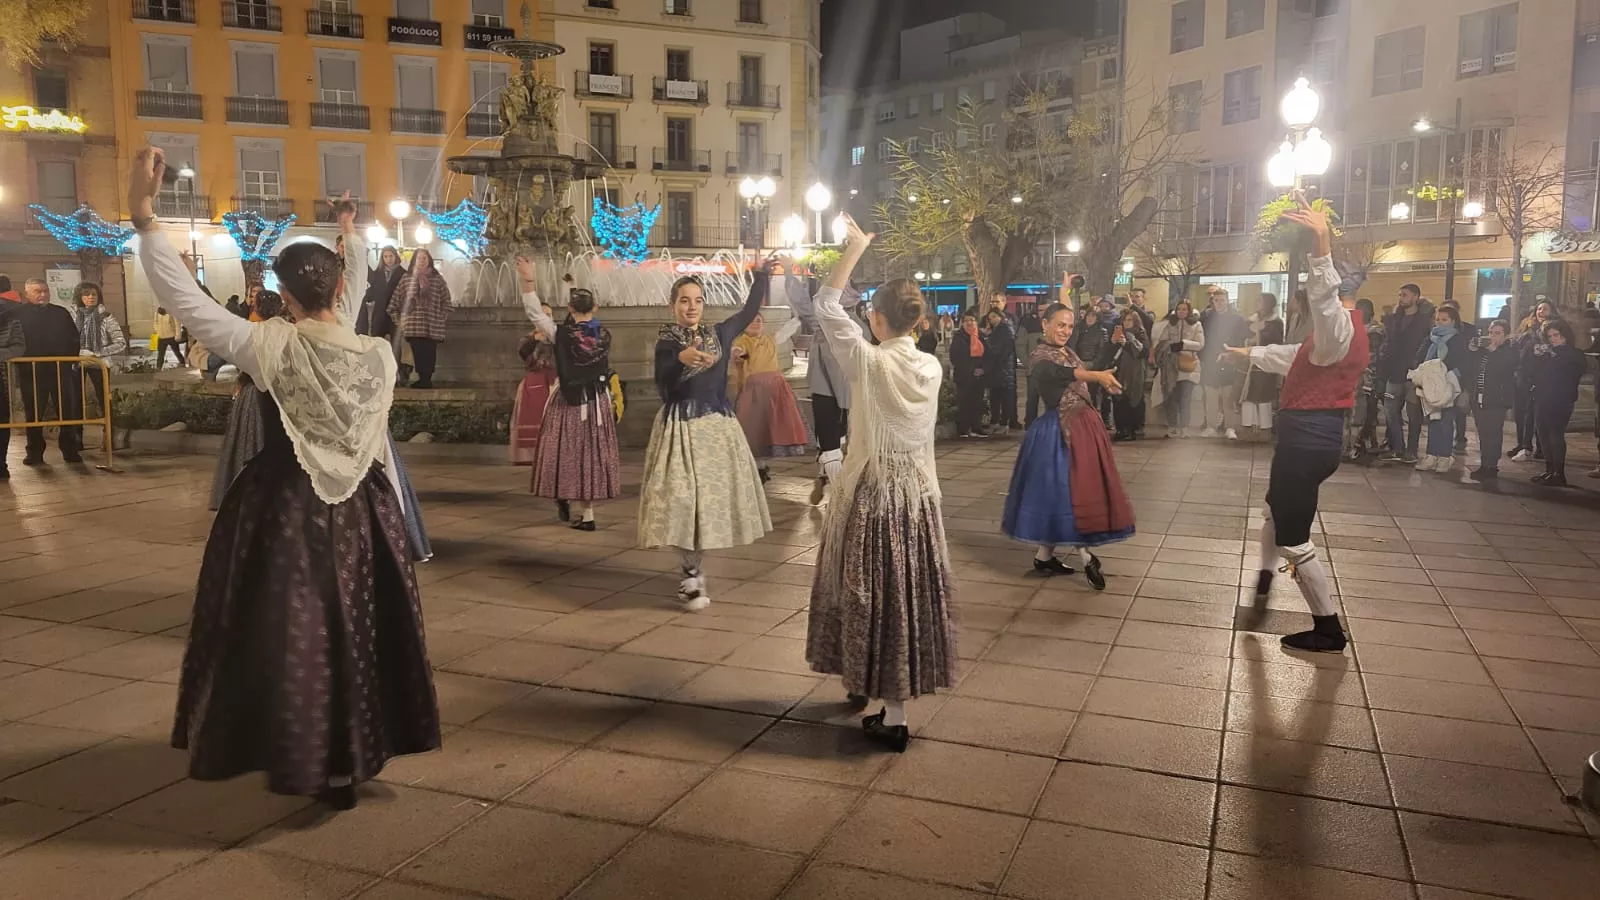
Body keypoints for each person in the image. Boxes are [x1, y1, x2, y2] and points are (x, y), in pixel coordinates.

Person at [130, 147, 439, 810]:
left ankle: (305, 752)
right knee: (360, 626)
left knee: (296, 631)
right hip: (364, 509)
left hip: (287, 509)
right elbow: (347, 307)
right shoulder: (376, 354)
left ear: (286, 294)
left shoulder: (267, 342)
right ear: (330, 289)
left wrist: (145, 218)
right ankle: (353, 753)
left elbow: (186, 303)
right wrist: (349, 236)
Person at [804, 217, 956, 753]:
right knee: (908, 597)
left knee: (870, 595)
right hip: (915, 496)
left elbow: (825, 307)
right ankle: (891, 705)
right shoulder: (931, 367)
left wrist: (855, 248)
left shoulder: (867, 362)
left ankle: (888, 710)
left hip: (873, 496)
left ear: (877, 317)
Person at [1226, 194, 1368, 654]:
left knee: (1294, 536)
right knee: (1273, 508)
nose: (1307, 296)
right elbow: (1293, 358)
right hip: (1305, 442)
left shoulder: (1339, 327)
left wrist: (1320, 243)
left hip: (1308, 442)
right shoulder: (1332, 336)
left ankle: (1327, 627)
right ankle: (1265, 580)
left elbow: (1323, 302)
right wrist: (1246, 353)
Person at [638, 268, 774, 610]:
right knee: (683, 502)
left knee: (708, 505)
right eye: (684, 301)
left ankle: (694, 570)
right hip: (681, 429)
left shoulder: (721, 333)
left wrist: (760, 278)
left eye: (697, 300)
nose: (692, 307)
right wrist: (680, 360)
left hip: (716, 429)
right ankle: (690, 573)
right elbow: (665, 385)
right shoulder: (667, 343)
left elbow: (747, 311)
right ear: (673, 306)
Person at [1002, 301, 1135, 590]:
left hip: (1084, 428)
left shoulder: (1067, 350)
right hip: (1058, 433)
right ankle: (1087, 556)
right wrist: (1094, 376)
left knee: (1065, 494)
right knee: (1069, 493)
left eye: (1069, 325)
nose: (1065, 330)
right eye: (1059, 324)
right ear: (1045, 325)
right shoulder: (1039, 357)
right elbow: (1059, 374)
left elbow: (1083, 368)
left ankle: (1044, 556)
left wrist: (1104, 370)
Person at [521, 259, 621, 530]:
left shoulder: (561, 334)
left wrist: (528, 282)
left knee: (562, 449)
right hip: (597, 401)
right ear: (596, 308)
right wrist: (573, 285)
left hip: (568, 399)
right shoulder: (604, 335)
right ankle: (588, 515)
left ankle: (561, 492)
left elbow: (535, 314)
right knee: (592, 452)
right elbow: (583, 328)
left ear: (569, 309)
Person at [784, 272, 865, 504]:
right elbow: (803, 304)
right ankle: (841, 496)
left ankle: (825, 478)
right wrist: (790, 274)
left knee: (840, 444)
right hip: (828, 392)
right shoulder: (825, 320)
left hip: (850, 394)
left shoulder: (856, 324)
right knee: (831, 443)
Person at [209, 289, 286, 511]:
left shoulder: (254, 331)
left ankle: (245, 490)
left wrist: (240, 381)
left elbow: (245, 364)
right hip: (277, 394)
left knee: (248, 442)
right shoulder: (284, 331)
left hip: (254, 393)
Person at [730, 309, 808, 481]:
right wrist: (738, 354)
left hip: (775, 390)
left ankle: (762, 466)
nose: (756, 324)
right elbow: (737, 351)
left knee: (770, 426)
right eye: (752, 321)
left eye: (759, 321)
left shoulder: (769, 340)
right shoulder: (743, 341)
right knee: (754, 427)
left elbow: (784, 333)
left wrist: (798, 319)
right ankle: (758, 467)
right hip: (755, 391)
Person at [14, 280, 83, 465]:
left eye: (45, 291)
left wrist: (70, 361)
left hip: (60, 370)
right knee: (34, 413)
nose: (42, 295)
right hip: (32, 372)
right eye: (37, 291)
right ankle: (34, 451)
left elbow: (73, 339)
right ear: (27, 293)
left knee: (67, 411)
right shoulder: (19, 314)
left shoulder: (60, 313)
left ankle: (70, 448)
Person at [1378, 284, 1435, 462]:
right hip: (1394, 372)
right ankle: (1397, 447)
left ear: (1416, 297)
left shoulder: (1424, 321)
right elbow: (1389, 342)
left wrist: (1418, 365)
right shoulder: (1395, 318)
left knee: (1413, 414)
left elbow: (1425, 345)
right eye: (1400, 294)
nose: (1401, 298)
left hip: (1413, 373)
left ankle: (1411, 451)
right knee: (1390, 410)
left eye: (1405, 295)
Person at [1530, 318, 1587, 486]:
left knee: (1556, 434)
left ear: (1565, 336)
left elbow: (1574, 372)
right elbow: (1534, 371)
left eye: (1557, 335)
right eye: (1550, 336)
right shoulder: (1546, 354)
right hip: (1542, 397)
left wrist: (1556, 355)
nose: (1554, 339)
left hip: (1561, 399)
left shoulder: (1575, 354)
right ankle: (1549, 469)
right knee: (1543, 434)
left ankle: (1558, 472)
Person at [1412, 305, 1466, 474]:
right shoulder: (1430, 339)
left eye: (1444, 320)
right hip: (1430, 384)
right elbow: (1419, 356)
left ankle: (1444, 456)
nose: (1440, 323)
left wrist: (1445, 372)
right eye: (1438, 319)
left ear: (1453, 321)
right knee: (1433, 419)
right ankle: (1431, 454)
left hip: (1448, 382)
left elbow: (1460, 360)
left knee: (1446, 420)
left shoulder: (1458, 339)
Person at [1464, 319, 1516, 483]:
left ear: (1506, 335)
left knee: (1493, 433)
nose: (1493, 336)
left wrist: (1492, 352)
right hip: (1479, 397)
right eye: (1491, 332)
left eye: (1498, 333)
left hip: (1496, 399)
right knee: (1483, 433)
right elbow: (1473, 369)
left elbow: (1504, 370)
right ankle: (1484, 463)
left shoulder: (1509, 352)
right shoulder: (1483, 351)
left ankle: (1492, 465)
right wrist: (1473, 351)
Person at [510, 301, 558, 466]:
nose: (545, 317)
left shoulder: (557, 336)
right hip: (534, 381)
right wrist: (535, 338)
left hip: (554, 381)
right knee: (532, 416)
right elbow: (523, 353)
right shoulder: (528, 338)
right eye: (542, 314)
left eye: (548, 314)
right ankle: (530, 455)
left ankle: (553, 452)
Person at [396, 248, 451, 389]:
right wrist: (401, 319)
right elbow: (396, 300)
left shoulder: (437, 279)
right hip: (414, 324)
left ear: (429, 260)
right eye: (419, 258)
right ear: (414, 260)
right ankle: (422, 379)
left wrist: (441, 316)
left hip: (432, 324)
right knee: (418, 352)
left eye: (424, 258)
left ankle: (427, 379)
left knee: (430, 352)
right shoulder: (406, 278)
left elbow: (446, 300)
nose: (421, 261)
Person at [1510, 299, 1557, 462]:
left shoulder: (1553, 329)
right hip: (1523, 374)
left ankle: (1539, 447)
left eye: (1545, 309)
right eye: (1539, 309)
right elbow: (1516, 345)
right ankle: (1522, 443)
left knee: (1536, 413)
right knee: (1521, 411)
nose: (1541, 312)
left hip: (1541, 377)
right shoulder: (1527, 326)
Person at [1199, 285, 1248, 439]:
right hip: (1211, 361)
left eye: (1222, 300)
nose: (1219, 303)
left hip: (1229, 360)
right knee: (1211, 396)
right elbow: (1202, 339)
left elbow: (1241, 339)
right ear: (1212, 302)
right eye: (1216, 300)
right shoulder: (1206, 318)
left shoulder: (1237, 319)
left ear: (1227, 301)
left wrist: (1233, 354)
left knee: (1228, 396)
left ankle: (1230, 426)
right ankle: (1211, 426)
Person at [1150, 299, 1204, 437]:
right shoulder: (1170, 324)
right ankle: (1172, 426)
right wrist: (1167, 345)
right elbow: (1162, 340)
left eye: (1184, 309)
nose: (1181, 311)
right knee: (1171, 397)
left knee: (1185, 398)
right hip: (1171, 366)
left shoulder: (1196, 325)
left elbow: (1200, 344)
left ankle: (1184, 427)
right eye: (1179, 309)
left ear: (1189, 310)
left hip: (1188, 365)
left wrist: (1183, 344)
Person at [72, 282, 126, 416]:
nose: (91, 297)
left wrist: (99, 353)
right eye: (86, 294)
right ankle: (76, 430)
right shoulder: (72, 316)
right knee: (74, 396)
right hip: (75, 360)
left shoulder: (106, 316)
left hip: (98, 362)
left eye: (94, 294)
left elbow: (121, 342)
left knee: (103, 396)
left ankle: (108, 429)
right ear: (79, 297)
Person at [1240, 293, 1285, 440]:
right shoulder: (1250, 320)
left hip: (1266, 363)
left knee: (1264, 396)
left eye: (1260, 301)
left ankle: (1265, 429)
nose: (1257, 303)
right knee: (1248, 396)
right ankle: (1248, 429)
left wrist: (1259, 337)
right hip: (1251, 362)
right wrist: (1250, 340)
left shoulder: (1276, 322)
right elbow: (1242, 336)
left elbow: (1276, 342)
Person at [1351, 298, 1386, 458]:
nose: (1359, 312)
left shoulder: (1375, 330)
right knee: (1358, 411)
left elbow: (1372, 351)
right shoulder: (1352, 327)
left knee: (1369, 410)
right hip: (1353, 375)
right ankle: (1359, 441)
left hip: (1370, 376)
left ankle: (1362, 442)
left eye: (1363, 309)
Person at [1109, 309, 1148, 441]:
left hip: (1134, 372)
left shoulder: (1140, 333)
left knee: (1133, 398)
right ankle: (1121, 428)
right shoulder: (1119, 332)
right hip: (1119, 370)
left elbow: (1142, 351)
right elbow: (1109, 353)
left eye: (1130, 320)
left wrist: (1127, 342)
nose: (1126, 323)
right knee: (1118, 399)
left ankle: (1132, 429)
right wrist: (1113, 343)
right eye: (1125, 320)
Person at [949, 312, 988, 438]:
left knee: (977, 402)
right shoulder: (958, 337)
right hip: (964, 376)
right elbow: (955, 357)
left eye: (972, 320)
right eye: (966, 321)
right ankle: (963, 428)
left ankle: (976, 427)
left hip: (979, 376)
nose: (970, 323)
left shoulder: (981, 336)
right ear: (962, 323)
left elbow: (989, 355)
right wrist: (971, 369)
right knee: (964, 402)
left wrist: (982, 368)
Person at [0, 289, 25, 477]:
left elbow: (19, 346)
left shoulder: (10, 318)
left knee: (2, 421)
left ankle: (1, 463)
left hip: (1, 377)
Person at [983, 307, 1019, 434]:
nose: (992, 320)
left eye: (994, 317)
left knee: (1005, 397)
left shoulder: (1005, 329)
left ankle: (1004, 423)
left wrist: (997, 359)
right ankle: (995, 422)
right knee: (995, 396)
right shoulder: (996, 330)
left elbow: (1006, 349)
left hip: (1003, 368)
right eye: (990, 318)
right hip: (997, 368)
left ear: (1000, 316)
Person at [357, 246, 406, 337]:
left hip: (395, 313)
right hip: (380, 312)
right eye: (385, 256)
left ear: (396, 256)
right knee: (378, 342)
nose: (389, 259)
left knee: (396, 345)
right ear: (382, 258)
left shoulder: (402, 273)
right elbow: (372, 287)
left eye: (391, 256)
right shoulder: (378, 272)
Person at [1017, 303, 1044, 423]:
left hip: (1053, 369)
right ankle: (1030, 423)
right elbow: (1020, 346)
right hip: (1033, 368)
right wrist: (1027, 363)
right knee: (1032, 398)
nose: (1042, 312)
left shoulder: (1056, 324)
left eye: (1045, 310)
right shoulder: (1028, 324)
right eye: (1040, 310)